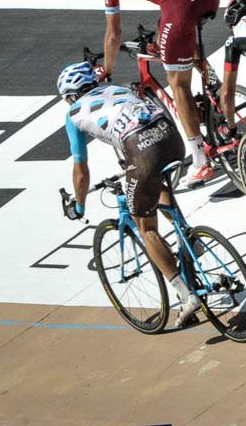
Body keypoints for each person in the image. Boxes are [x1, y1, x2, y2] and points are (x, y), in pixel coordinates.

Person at [56, 61, 205, 328]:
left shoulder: (73, 115)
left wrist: (79, 206)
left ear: (69, 97)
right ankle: (187, 235)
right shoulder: (116, 88)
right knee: (155, 184)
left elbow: (81, 171)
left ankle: (186, 296)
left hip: (140, 149)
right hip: (170, 136)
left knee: (145, 226)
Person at [91, 0, 224, 188]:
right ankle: (215, 89)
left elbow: (114, 32)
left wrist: (107, 69)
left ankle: (200, 163)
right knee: (174, 30)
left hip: (180, 6)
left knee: (178, 83)